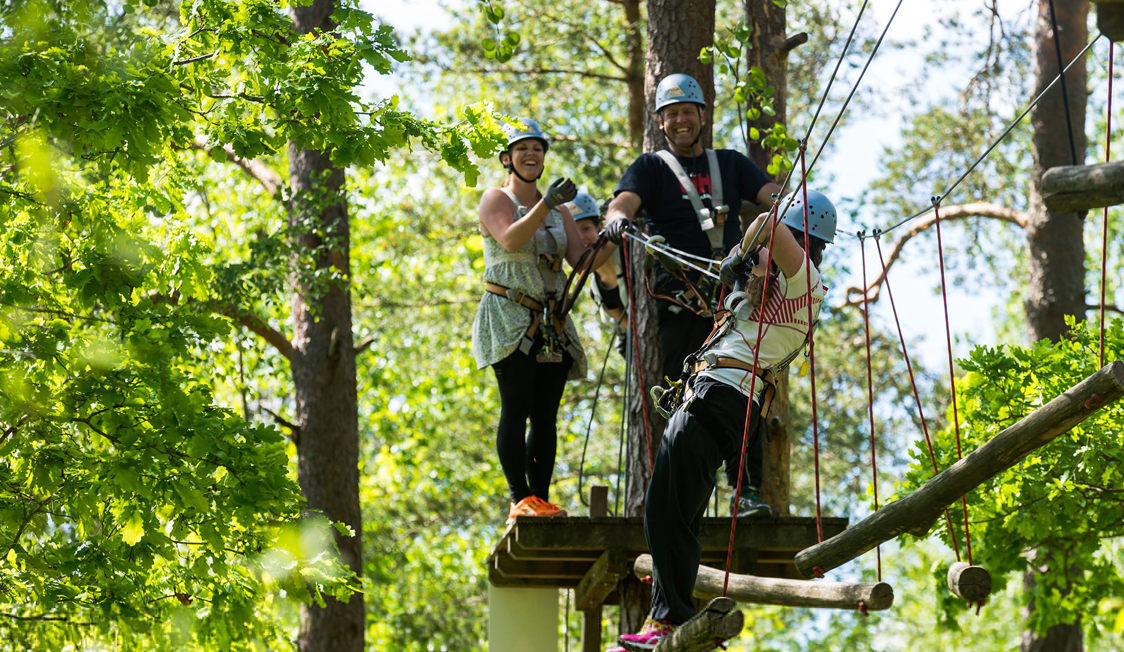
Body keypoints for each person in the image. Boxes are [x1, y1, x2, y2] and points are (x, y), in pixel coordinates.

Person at [611, 191, 837, 652]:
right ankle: (669, 618)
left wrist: (739, 253)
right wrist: (740, 265)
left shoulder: (805, 280)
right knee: (675, 510)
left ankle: (669, 619)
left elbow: (766, 224)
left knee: (666, 508)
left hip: (722, 395)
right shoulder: (769, 289)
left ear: (801, 240)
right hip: (721, 396)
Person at [602, 72, 783, 517]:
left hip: (733, 294)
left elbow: (769, 194)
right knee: (683, 392)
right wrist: (617, 219)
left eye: (688, 112)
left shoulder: (731, 164)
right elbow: (623, 202)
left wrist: (793, 202)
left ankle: (746, 489)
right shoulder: (651, 168)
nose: (681, 120)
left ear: (702, 115)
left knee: (747, 386)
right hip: (680, 296)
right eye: (672, 114)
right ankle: (682, 492)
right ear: (661, 122)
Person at [471, 117, 588, 523]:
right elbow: (511, 239)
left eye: (537, 148)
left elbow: (580, 260)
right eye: (522, 148)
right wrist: (547, 204)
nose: (531, 154)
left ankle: (540, 497)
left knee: (545, 415)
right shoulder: (496, 199)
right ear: (507, 158)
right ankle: (519, 497)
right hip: (509, 318)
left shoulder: (560, 212)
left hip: (551, 323)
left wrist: (611, 236)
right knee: (516, 407)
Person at [568, 192, 628, 331]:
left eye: (586, 228)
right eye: (574, 233)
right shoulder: (597, 290)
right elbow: (628, 326)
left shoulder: (628, 253)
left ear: (600, 226)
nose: (581, 238)